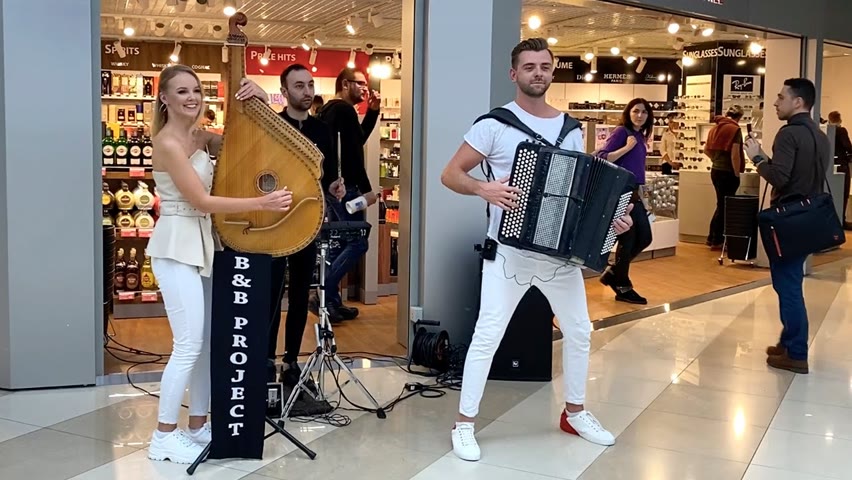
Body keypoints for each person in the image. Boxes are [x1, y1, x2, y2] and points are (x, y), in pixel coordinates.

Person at [440, 37, 634, 462]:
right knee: (488, 335)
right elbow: (451, 174)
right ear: (514, 74)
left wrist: (611, 223)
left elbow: (581, 195)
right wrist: (482, 189)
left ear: (552, 71)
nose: (538, 73)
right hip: (508, 252)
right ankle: (464, 423)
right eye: (529, 67)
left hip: (557, 258)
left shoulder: (570, 129)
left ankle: (575, 413)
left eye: (544, 66)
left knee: (580, 332)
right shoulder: (493, 125)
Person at [145, 65, 293, 464]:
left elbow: (250, 145)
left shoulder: (200, 136)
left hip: (203, 243)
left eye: (196, 90)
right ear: (165, 98)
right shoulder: (168, 143)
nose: (191, 97)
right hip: (177, 244)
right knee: (188, 344)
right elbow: (201, 201)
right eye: (181, 91)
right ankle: (163, 436)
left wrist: (261, 100)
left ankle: (196, 424)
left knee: (206, 344)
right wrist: (261, 203)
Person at [744, 78, 831, 375]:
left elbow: (781, 179)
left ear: (797, 102)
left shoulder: (788, 134)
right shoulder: (820, 136)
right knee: (791, 281)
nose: (776, 102)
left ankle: (796, 352)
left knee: (788, 286)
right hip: (809, 218)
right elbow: (800, 175)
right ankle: (787, 341)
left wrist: (757, 157)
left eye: (781, 97)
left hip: (789, 219)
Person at [269, 64, 345, 385]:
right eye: (299, 86)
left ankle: (290, 361)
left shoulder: (322, 130)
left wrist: (334, 186)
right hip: (273, 223)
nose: (307, 91)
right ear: (284, 92)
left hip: (308, 222)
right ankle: (265, 359)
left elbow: (328, 177)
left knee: (301, 294)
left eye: (310, 84)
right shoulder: (273, 126)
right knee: (272, 294)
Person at [312, 68, 381, 320]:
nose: (364, 88)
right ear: (344, 84)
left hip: (332, 187)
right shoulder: (344, 110)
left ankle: (330, 302)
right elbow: (354, 154)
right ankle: (322, 293)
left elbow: (356, 141)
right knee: (357, 241)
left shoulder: (329, 110)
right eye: (359, 83)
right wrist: (368, 190)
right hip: (345, 188)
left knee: (337, 243)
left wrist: (372, 112)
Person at [595, 99, 655, 305]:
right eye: (636, 111)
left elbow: (638, 170)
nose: (639, 115)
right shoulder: (622, 133)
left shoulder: (640, 136)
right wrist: (626, 148)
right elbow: (602, 157)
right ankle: (622, 285)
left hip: (633, 193)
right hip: (620, 193)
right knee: (628, 239)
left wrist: (644, 198)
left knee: (644, 237)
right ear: (628, 113)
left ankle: (614, 273)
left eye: (644, 112)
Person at [704, 105, 746, 250]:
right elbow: (735, 154)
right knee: (725, 206)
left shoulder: (715, 128)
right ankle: (717, 240)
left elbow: (706, 150)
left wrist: (716, 160)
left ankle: (712, 238)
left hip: (716, 171)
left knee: (721, 204)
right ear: (739, 117)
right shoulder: (735, 130)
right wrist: (736, 173)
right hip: (728, 172)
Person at [828, 111, 852, 228]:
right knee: (844, 192)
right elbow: (848, 146)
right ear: (839, 119)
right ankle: (842, 219)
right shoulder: (841, 131)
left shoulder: (827, 132)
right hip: (842, 164)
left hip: (832, 164)